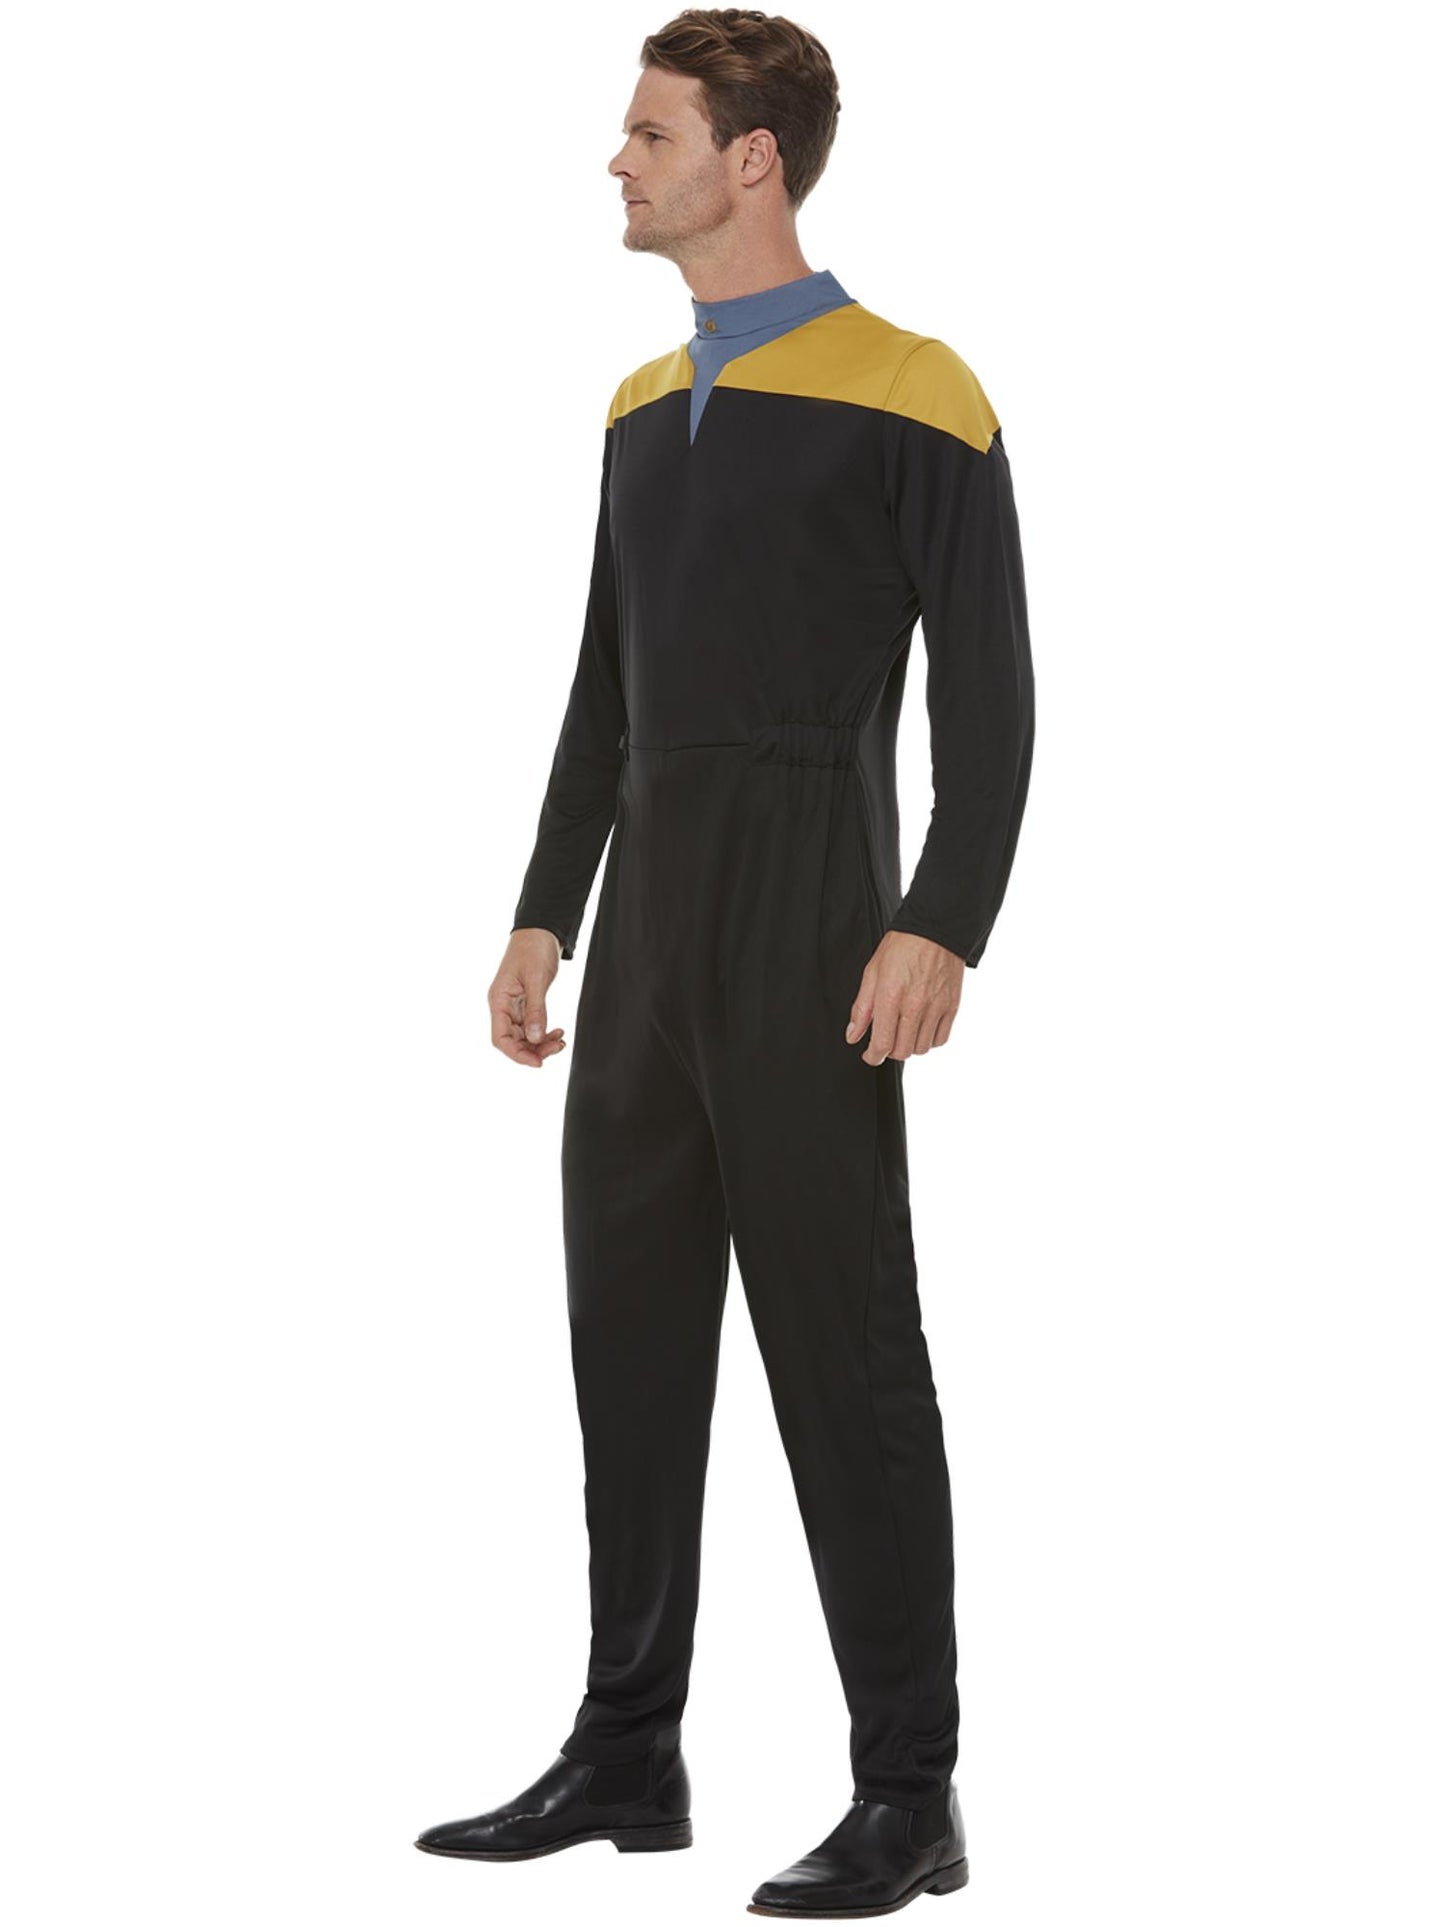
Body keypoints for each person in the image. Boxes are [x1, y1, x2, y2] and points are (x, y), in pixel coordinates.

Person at [415, 10, 1034, 1916]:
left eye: (649, 132)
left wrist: (939, 919)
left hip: (812, 924)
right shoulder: (633, 405)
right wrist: (544, 910)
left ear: (748, 158)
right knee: (626, 1345)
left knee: (846, 1361)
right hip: (647, 942)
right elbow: (603, 686)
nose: (617, 160)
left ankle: (908, 1792)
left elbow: (993, 695)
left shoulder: (915, 387)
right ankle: (628, 1747)